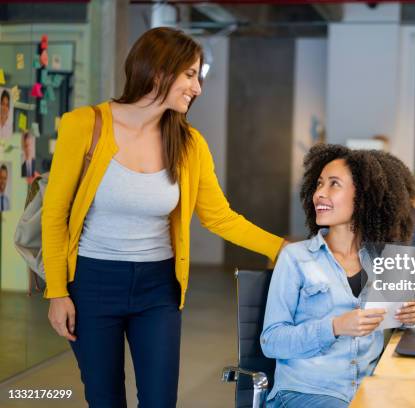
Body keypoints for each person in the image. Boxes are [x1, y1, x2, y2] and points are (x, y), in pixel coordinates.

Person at [42, 27, 286, 408]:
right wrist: (57, 292)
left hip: (158, 288)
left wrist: (283, 248)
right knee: (105, 399)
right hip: (92, 283)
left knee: (160, 401)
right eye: (190, 74)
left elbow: (219, 217)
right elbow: (55, 215)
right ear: (157, 71)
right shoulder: (83, 126)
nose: (197, 87)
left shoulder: (189, 144)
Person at [261, 144, 415, 408]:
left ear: (364, 197)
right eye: (319, 184)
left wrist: (412, 318)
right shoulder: (295, 258)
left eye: (334, 184)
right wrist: (334, 327)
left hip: (369, 389)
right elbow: (272, 341)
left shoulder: (387, 262)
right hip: (306, 392)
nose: (319, 194)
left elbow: (404, 326)